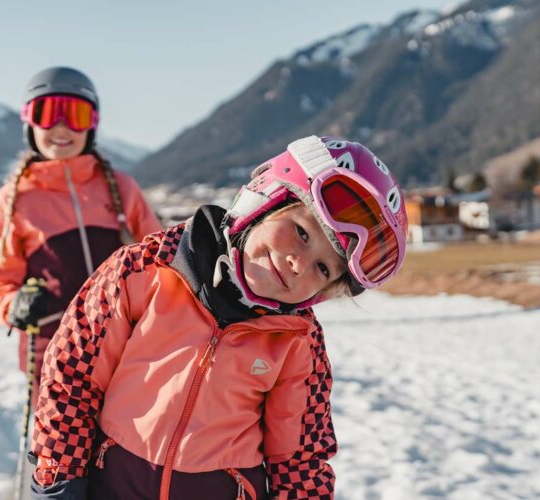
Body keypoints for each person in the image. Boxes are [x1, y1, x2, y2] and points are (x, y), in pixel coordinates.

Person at [29, 136, 409, 499]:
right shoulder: (142, 272)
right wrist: (58, 482)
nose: (298, 264)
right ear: (265, 201)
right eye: (301, 233)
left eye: (323, 269)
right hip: (113, 486)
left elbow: (299, 457)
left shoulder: (296, 342)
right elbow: (71, 379)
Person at [0, 66, 162, 404]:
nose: (61, 128)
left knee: (124, 449)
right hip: (54, 354)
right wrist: (12, 305)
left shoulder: (121, 188)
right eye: (47, 114)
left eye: (75, 115)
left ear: (91, 124)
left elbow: (162, 258)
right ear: (29, 123)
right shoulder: (15, 198)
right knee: (66, 452)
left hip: (126, 346)